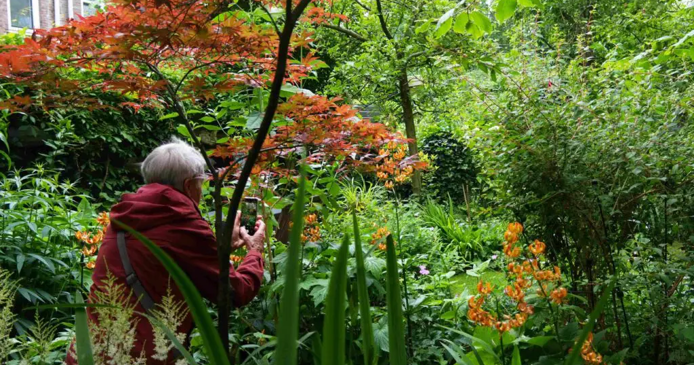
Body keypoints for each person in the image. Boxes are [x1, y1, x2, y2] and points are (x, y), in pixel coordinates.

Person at [66, 138, 265, 364]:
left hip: (88, 351)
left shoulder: (125, 216)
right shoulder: (182, 222)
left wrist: (222, 250)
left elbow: (158, 262)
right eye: (201, 184)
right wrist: (255, 251)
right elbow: (234, 292)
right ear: (190, 185)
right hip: (139, 355)